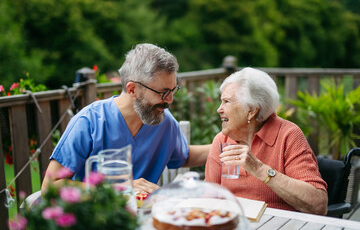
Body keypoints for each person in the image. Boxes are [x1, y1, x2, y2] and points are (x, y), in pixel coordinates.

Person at [41, 43, 210, 194]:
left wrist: (228, 145)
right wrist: (120, 188)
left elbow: (183, 155)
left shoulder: (164, 122)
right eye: (163, 92)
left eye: (173, 91)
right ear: (132, 89)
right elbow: (50, 185)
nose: (170, 100)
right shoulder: (89, 122)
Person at [205, 67, 328, 215]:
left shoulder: (288, 135)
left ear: (251, 110)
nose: (219, 109)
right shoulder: (221, 140)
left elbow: (318, 204)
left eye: (226, 102)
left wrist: (259, 169)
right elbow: (208, 199)